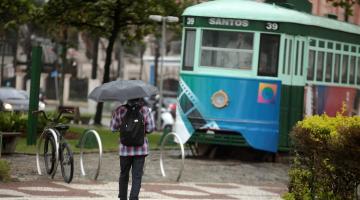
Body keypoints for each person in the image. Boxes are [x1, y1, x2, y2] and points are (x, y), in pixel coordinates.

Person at [110, 98, 155, 200]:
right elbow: (150, 129)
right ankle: (134, 197)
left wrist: (123, 129)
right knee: (137, 176)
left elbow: (113, 128)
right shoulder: (145, 110)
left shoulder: (120, 110)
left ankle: (122, 197)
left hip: (124, 149)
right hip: (140, 149)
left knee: (124, 174)